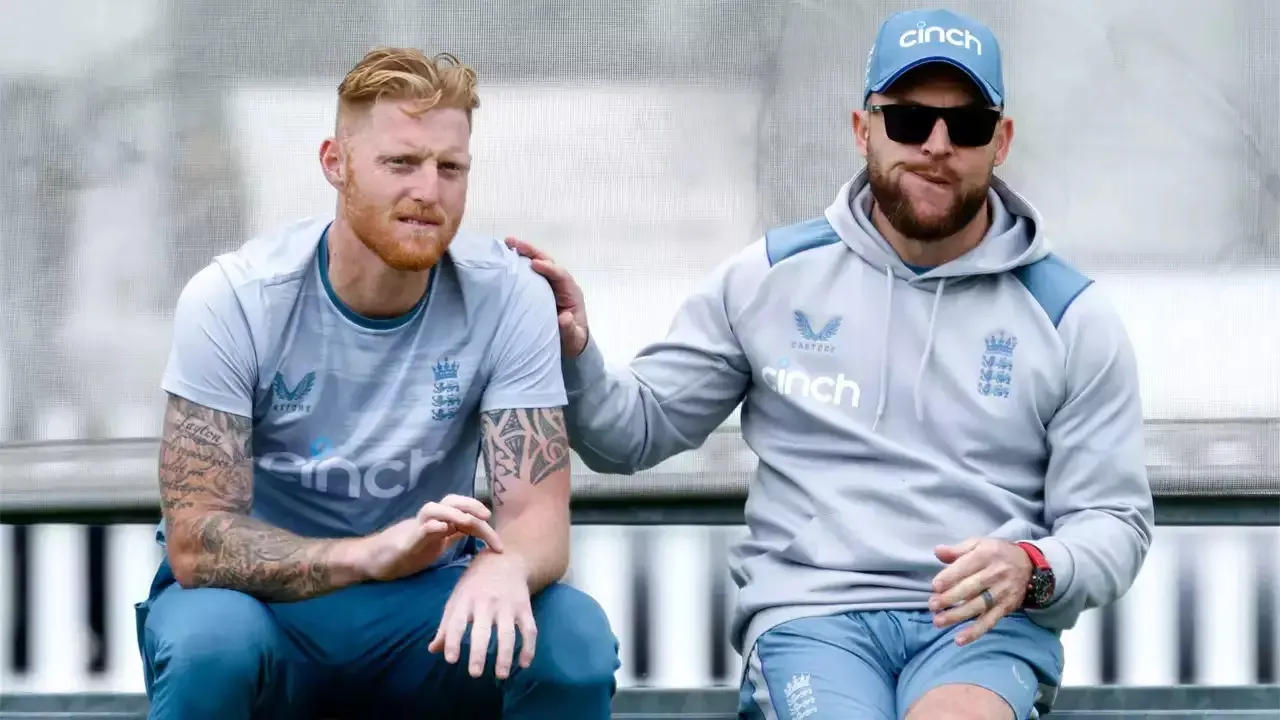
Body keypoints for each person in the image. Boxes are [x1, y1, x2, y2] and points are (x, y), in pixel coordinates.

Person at [509, 9, 1152, 720]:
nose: (937, 146)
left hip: (982, 633)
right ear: (862, 129)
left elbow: (1114, 521)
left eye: (965, 125)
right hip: (813, 620)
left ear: (1000, 141)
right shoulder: (768, 278)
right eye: (908, 121)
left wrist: (1033, 569)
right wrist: (571, 349)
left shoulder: (1072, 317)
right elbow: (628, 433)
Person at [136, 47, 619, 720]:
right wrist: (370, 555)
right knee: (210, 646)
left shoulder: (511, 293)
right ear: (335, 163)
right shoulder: (236, 298)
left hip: (419, 611)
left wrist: (505, 566)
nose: (429, 189)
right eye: (401, 163)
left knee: (571, 640)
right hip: (267, 611)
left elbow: (536, 518)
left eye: (450, 167)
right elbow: (196, 543)